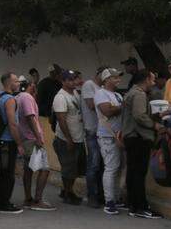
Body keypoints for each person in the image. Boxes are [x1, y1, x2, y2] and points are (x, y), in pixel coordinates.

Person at [120, 69, 162, 219]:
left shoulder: (131, 92)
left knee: (133, 172)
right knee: (138, 173)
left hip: (131, 136)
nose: (153, 82)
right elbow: (139, 115)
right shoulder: (139, 94)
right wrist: (154, 125)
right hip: (138, 137)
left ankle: (133, 205)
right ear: (145, 80)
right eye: (152, 79)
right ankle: (140, 207)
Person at [17, 77, 54, 211]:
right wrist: (38, 137)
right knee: (44, 169)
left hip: (25, 138)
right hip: (32, 138)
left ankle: (28, 198)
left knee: (28, 170)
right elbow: (30, 117)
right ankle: (37, 200)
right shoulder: (27, 97)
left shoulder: (19, 97)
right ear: (31, 85)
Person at [94, 68, 125, 215]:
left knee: (118, 168)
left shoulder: (117, 95)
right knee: (111, 167)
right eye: (115, 77)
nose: (118, 80)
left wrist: (117, 108)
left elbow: (116, 110)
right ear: (107, 80)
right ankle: (109, 201)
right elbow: (107, 111)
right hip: (107, 136)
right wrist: (121, 107)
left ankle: (116, 197)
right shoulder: (101, 94)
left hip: (119, 135)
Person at [52, 70, 85, 205]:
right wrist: (68, 139)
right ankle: (67, 193)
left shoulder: (75, 93)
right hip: (66, 139)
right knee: (68, 168)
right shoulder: (60, 97)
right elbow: (61, 119)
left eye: (74, 79)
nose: (73, 82)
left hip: (78, 137)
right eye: (70, 80)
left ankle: (67, 190)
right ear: (63, 81)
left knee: (75, 168)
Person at [0, 73, 24, 214]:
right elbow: (12, 123)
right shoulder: (10, 100)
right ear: (9, 83)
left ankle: (2, 198)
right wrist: (19, 143)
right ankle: (4, 203)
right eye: (16, 80)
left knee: (3, 171)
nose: (18, 83)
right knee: (8, 173)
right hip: (7, 141)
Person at [80, 67, 105, 208]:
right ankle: (92, 195)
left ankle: (101, 195)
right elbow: (90, 105)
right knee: (94, 164)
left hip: (101, 131)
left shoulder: (101, 88)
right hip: (92, 130)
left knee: (102, 165)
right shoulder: (89, 85)